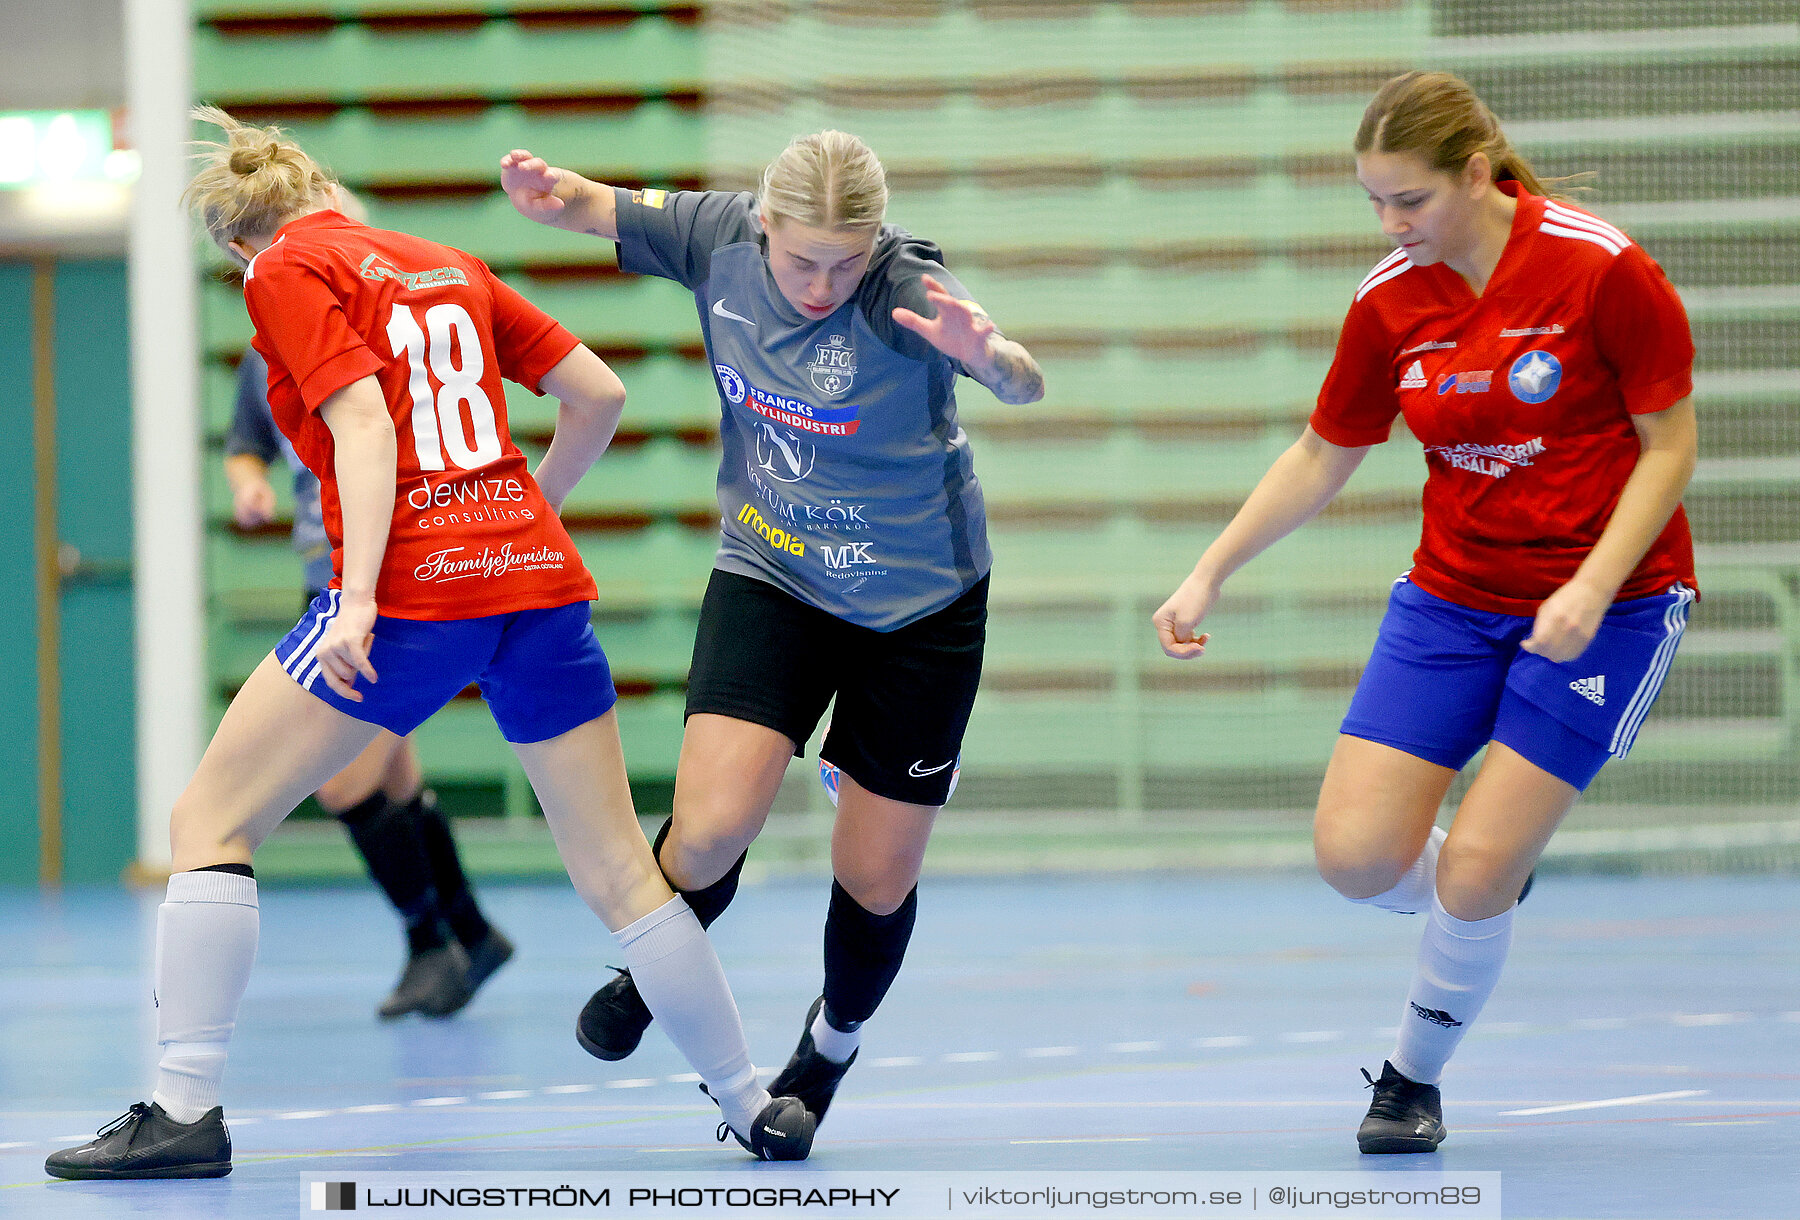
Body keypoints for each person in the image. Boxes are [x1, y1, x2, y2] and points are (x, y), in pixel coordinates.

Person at [46, 107, 813, 1180]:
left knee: (208, 816)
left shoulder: (282, 271)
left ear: (238, 241)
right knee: (621, 871)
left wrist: (355, 598)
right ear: (322, 189)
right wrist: (523, 510)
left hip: (412, 586)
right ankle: (754, 1100)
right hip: (533, 581)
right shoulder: (445, 259)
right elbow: (599, 392)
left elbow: (362, 423)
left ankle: (183, 1108)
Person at [1153, 70, 1697, 1154]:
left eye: (1410, 200)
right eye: (1375, 204)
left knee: (1477, 869)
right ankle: (1478, 881)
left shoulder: (1602, 267)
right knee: (1356, 857)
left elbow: (1670, 443)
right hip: (1453, 597)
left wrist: (1591, 583)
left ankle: (1412, 1076)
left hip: (1613, 603)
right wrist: (1208, 570)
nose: (1393, 225)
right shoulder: (1390, 297)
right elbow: (1323, 452)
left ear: (1476, 172)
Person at [498, 131, 1045, 1129]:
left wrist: (989, 358)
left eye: (849, 257)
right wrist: (547, 190)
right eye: (804, 260)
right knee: (705, 829)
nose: (825, 281)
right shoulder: (714, 240)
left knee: (873, 872)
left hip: (919, 604)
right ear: (762, 225)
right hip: (774, 571)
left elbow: (1021, 380)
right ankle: (660, 953)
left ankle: (830, 1043)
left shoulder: (902, 288)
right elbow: (597, 204)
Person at [226, 340, 514, 1020]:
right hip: (322, 591)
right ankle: (470, 931)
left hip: (386, 595)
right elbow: (247, 443)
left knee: (342, 783)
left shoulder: (381, 345)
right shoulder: (264, 356)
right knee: (393, 781)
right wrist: (249, 483)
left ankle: (429, 944)